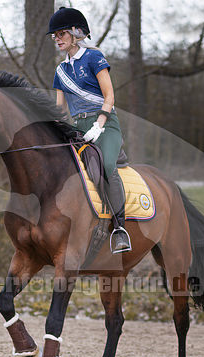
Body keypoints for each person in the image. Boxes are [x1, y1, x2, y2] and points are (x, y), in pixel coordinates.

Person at [47, 6, 131, 254]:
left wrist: (100, 124)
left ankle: (119, 228)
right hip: (78, 127)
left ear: (76, 32)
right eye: (55, 36)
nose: (57, 39)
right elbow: (60, 108)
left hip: (106, 124)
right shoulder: (60, 71)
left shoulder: (94, 57)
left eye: (61, 33)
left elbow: (109, 95)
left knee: (105, 166)